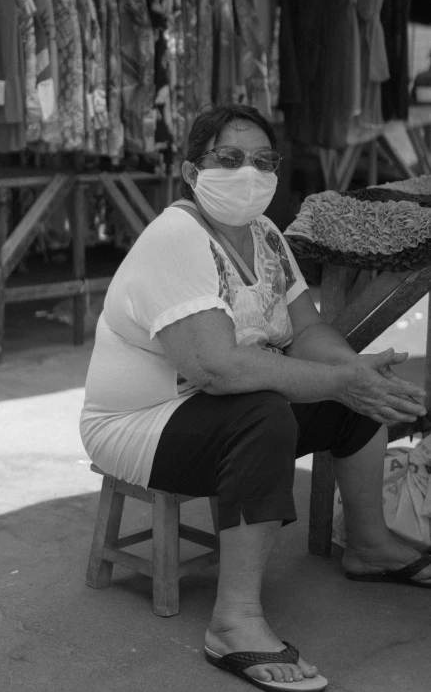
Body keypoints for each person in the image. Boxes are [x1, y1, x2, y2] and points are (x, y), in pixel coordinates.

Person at [80, 104, 430, 692]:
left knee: (351, 393)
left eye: (263, 161)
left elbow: (308, 330)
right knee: (264, 413)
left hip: (216, 404)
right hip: (140, 424)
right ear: (193, 172)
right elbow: (216, 369)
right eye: (230, 158)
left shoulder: (264, 234)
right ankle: (233, 623)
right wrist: (344, 379)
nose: (250, 173)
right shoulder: (176, 235)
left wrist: (355, 372)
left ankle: (369, 546)